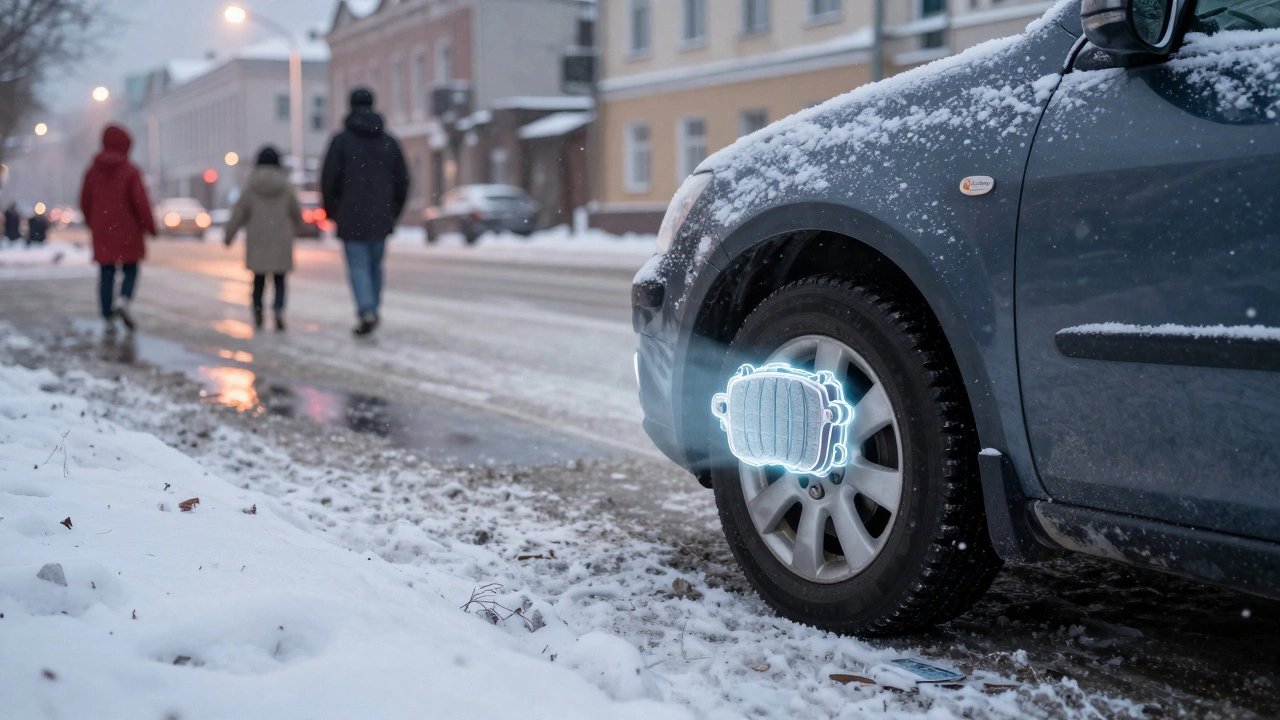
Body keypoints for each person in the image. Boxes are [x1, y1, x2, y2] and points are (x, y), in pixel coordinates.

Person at [320, 87, 409, 336]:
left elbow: (329, 180)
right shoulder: (388, 142)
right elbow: (402, 181)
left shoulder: (341, 142)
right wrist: (393, 211)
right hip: (380, 216)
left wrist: (333, 211)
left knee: (358, 266)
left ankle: (366, 309)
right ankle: (372, 307)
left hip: (350, 216)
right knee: (374, 266)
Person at [79, 125, 156, 334]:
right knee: (130, 268)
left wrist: (93, 222)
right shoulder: (131, 171)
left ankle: (107, 315)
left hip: (103, 230)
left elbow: (84, 201)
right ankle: (124, 298)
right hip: (128, 229)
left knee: (106, 272)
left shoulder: (92, 172)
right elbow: (141, 202)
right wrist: (150, 226)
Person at [222, 146, 302, 331]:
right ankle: (278, 310)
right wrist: (298, 227)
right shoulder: (286, 186)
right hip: (281, 240)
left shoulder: (251, 186)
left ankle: (258, 313)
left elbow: (239, 213)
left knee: (258, 281)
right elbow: (296, 212)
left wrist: (229, 236)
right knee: (280, 280)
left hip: (258, 241)